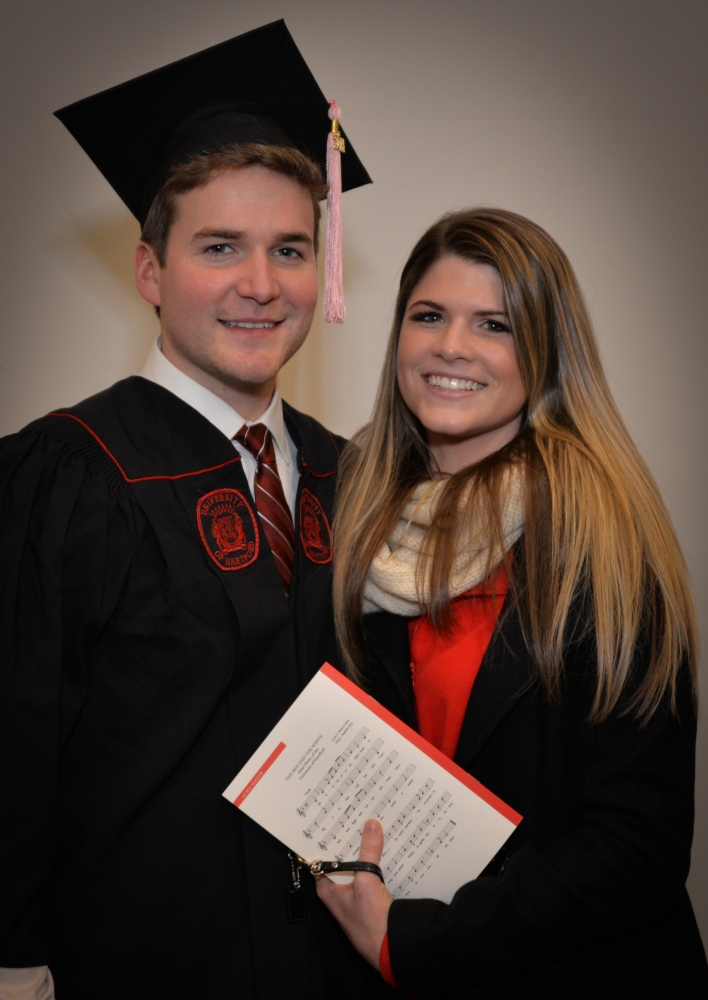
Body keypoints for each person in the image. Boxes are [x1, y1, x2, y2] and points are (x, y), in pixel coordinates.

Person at [0, 21, 393, 1000]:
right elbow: (11, 756)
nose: (261, 285)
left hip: (333, 969)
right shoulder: (66, 474)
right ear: (151, 271)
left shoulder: (350, 475)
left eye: (290, 249)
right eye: (221, 247)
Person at [316, 208, 708, 997]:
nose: (451, 346)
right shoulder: (350, 511)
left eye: (493, 324)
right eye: (429, 316)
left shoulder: (602, 534)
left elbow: (637, 848)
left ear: (545, 352)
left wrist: (415, 941)